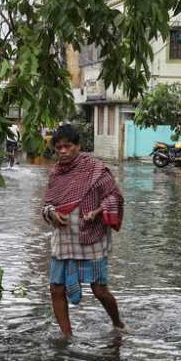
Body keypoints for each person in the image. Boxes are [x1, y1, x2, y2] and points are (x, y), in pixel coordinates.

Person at [41, 124, 125, 337]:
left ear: (78, 146)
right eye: (58, 147)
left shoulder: (97, 170)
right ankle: (66, 336)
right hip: (64, 238)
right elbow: (47, 204)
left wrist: (98, 210)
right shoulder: (55, 175)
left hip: (92, 238)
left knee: (99, 290)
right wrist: (52, 213)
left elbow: (115, 197)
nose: (62, 151)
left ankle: (118, 324)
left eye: (67, 146)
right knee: (56, 289)